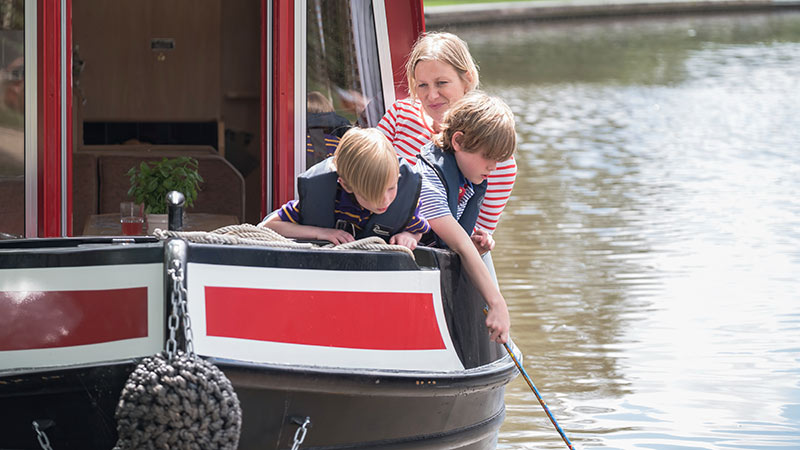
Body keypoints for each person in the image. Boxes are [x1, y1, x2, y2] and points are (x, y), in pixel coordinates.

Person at [377, 31, 516, 254]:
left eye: (441, 83)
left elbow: (477, 233)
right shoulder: (399, 115)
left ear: (467, 79)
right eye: (422, 85)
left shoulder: (499, 161)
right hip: (379, 239)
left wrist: (480, 242)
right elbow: (364, 167)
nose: (432, 95)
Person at [416, 91, 516, 344]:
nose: (493, 167)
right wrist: (497, 303)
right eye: (487, 156)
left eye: (498, 159)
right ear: (458, 141)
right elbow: (458, 244)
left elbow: (462, 240)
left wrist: (474, 242)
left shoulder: (467, 180)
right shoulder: (427, 182)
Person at [259, 128, 429, 249]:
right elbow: (268, 226)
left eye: (391, 188)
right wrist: (320, 233)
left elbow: (417, 230)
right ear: (346, 185)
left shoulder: (403, 204)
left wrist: (409, 236)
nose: (385, 200)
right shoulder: (326, 197)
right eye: (370, 194)